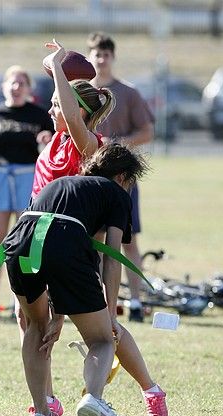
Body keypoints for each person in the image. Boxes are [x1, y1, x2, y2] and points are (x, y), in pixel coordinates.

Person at [20, 40, 167, 416]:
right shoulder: (51, 143)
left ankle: (152, 392)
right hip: (37, 239)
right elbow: (64, 108)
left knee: (107, 331)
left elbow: (71, 113)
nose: (53, 108)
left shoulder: (89, 147)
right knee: (34, 325)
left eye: (61, 104)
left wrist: (55, 66)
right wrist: (57, 73)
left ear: (81, 115)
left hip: (74, 245)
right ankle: (45, 405)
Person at [4, 142, 149, 416]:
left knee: (36, 327)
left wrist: (58, 316)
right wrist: (110, 316)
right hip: (62, 242)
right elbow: (111, 257)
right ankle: (94, 399)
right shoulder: (116, 194)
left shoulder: (61, 183)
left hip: (19, 241)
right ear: (122, 177)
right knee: (102, 340)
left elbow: (47, 241)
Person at [0, 65, 54, 318]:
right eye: (12, 82)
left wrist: (45, 142)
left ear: (29, 89)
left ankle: (24, 302)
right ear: (4, 86)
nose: (16, 87)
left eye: (22, 83)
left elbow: (49, 151)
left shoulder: (39, 115)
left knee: (26, 243)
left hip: (27, 178)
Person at [88, 32, 155, 323]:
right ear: (89, 56)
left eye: (106, 54)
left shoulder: (128, 93)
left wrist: (116, 146)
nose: (101, 60)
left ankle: (137, 301)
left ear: (113, 58)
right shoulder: (83, 92)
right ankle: (95, 301)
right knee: (93, 239)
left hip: (122, 179)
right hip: (89, 181)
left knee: (128, 240)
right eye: (96, 54)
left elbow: (147, 132)